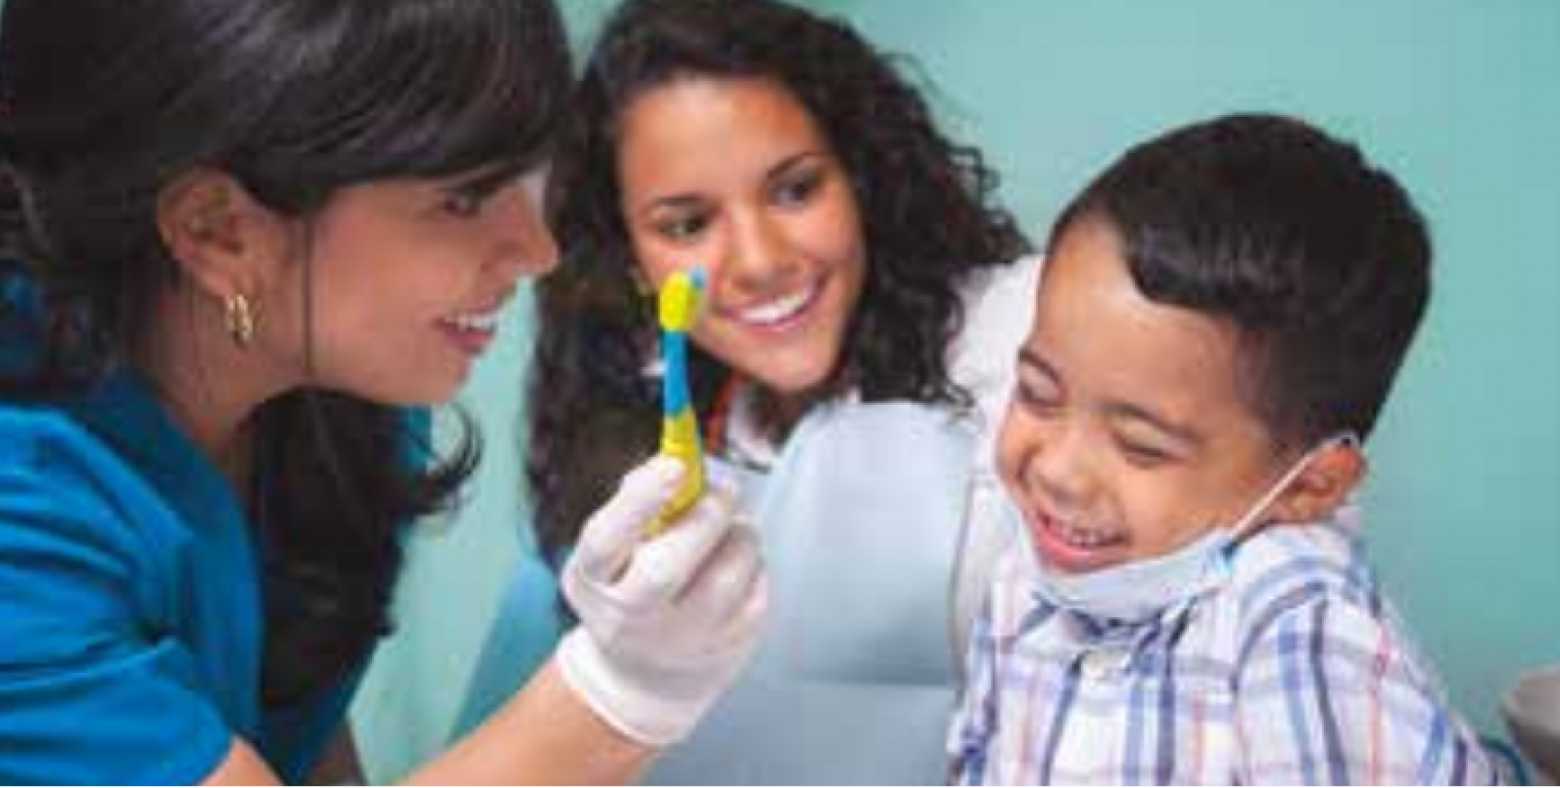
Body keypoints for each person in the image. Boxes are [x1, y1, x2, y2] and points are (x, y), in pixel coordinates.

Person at [0, 0, 765, 783]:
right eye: (463, 199)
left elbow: (289, 741)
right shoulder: (20, 528)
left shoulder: (344, 402)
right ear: (217, 231)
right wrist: (620, 695)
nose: (538, 251)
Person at [453, 0, 1037, 781]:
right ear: (631, 260)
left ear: (861, 176)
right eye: (687, 225)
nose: (758, 260)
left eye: (795, 190)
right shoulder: (642, 435)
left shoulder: (1023, 345)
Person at [948, 113, 1500, 784]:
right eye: (1037, 393)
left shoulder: (1297, 628)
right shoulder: (1030, 576)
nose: (1058, 471)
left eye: (1140, 447)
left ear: (1310, 486)